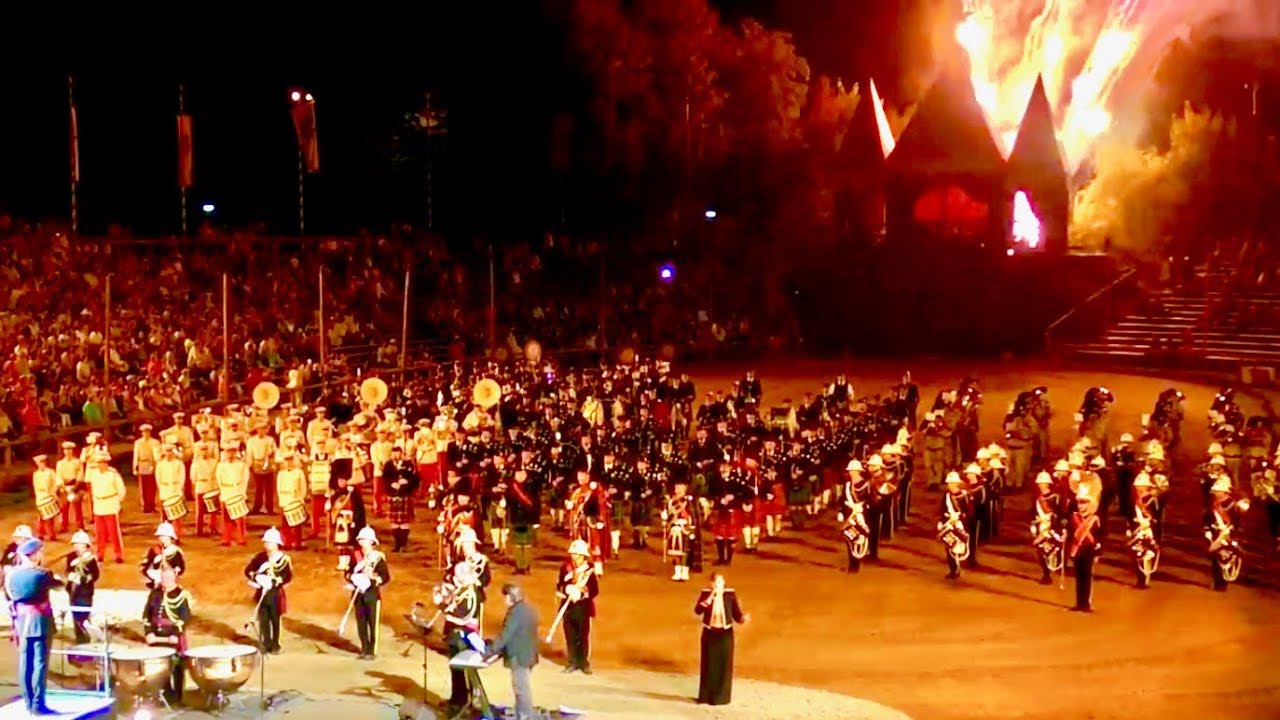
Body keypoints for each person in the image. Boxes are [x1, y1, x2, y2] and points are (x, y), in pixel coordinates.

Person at [6, 538, 59, 715]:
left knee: (24, 663)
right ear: (35, 554)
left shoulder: (12, 575)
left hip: (22, 622)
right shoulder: (42, 574)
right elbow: (59, 585)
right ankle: (38, 704)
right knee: (39, 663)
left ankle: (28, 702)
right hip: (40, 621)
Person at [486, 582, 540, 720]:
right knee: (522, 686)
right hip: (528, 652)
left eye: (506, 597)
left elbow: (506, 635)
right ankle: (521, 712)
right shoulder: (527, 609)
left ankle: (524, 715)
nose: (504, 601)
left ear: (511, 597)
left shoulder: (515, 613)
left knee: (521, 688)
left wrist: (489, 651)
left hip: (519, 655)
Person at [695, 572, 748, 706]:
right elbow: (698, 610)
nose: (720, 585)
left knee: (724, 665)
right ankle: (706, 696)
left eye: (721, 582)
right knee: (709, 664)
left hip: (725, 634)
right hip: (709, 633)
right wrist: (711, 597)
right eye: (717, 583)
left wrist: (743, 619)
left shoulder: (729, 595)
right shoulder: (706, 594)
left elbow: (736, 614)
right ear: (712, 584)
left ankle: (721, 697)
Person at [142, 567, 193, 704]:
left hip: (172, 635)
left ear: (174, 578)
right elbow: (147, 616)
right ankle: (164, 693)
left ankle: (178, 696)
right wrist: (149, 633)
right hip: (156, 636)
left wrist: (176, 634)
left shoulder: (181, 595)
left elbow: (184, 618)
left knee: (176, 667)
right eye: (163, 578)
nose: (166, 581)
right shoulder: (155, 594)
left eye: (169, 578)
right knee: (160, 667)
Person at [245, 528, 292, 655]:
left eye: (269, 543)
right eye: (265, 542)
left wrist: (277, 580)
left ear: (276, 544)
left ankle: (275, 644)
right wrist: (257, 577)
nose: (267, 545)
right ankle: (265, 644)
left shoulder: (283, 559)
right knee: (263, 620)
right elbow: (248, 570)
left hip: (275, 594)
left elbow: (287, 576)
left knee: (275, 620)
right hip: (262, 592)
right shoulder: (260, 558)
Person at [554, 539, 599, 674]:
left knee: (583, 636)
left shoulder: (589, 571)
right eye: (573, 554)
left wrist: (583, 592)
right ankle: (572, 661)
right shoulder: (565, 568)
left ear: (583, 556)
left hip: (583, 608)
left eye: (577, 554)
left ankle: (583, 662)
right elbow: (560, 584)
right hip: (568, 608)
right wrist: (565, 590)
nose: (574, 557)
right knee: (570, 635)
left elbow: (595, 590)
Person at [345, 527, 390, 659]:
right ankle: (364, 648)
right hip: (358, 594)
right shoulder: (355, 557)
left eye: (365, 540)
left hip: (371, 594)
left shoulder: (378, 558)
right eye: (361, 539)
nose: (363, 542)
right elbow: (348, 572)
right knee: (361, 622)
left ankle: (372, 650)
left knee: (372, 622)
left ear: (371, 542)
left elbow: (385, 576)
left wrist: (373, 578)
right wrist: (352, 579)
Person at [87, 451, 126, 563]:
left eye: (103, 462)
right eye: (99, 462)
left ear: (107, 463)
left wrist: (116, 502)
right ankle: (100, 554)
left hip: (110, 504)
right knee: (99, 533)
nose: (101, 465)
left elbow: (121, 490)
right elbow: (93, 490)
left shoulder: (113, 475)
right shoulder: (94, 475)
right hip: (99, 505)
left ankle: (118, 554)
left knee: (114, 532)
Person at [1069, 487, 1102, 612]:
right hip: (1077, 550)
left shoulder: (1094, 519)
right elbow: (1071, 534)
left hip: (1089, 551)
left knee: (1087, 578)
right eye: (1079, 503)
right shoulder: (1074, 517)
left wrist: (1098, 553)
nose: (1081, 506)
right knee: (1078, 578)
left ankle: (1086, 603)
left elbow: (1099, 537)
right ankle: (1079, 603)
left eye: (1084, 503)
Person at [64, 530, 100, 643]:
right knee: (75, 616)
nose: (76, 547)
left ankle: (86, 639)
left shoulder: (90, 558)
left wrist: (84, 579)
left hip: (85, 592)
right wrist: (70, 577)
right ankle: (79, 639)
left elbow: (95, 574)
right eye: (74, 544)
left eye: (79, 544)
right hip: (73, 591)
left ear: (85, 545)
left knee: (83, 616)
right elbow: (68, 570)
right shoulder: (70, 557)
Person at [141, 522, 186, 589]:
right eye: (160, 536)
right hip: (157, 580)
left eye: (164, 535)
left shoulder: (175, 551)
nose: (161, 538)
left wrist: (177, 569)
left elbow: (180, 566)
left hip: (170, 580)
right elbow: (146, 566)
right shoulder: (154, 550)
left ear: (169, 537)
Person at [133, 423, 161, 513]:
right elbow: (136, 455)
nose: (146, 433)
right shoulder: (138, 443)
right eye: (144, 432)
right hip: (142, 464)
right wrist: (135, 467)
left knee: (152, 487)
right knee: (143, 487)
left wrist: (156, 465)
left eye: (147, 432)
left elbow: (157, 455)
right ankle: (145, 506)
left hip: (151, 463)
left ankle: (152, 505)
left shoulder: (155, 442)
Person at [31, 454, 60, 541]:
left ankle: (51, 534)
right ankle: (40, 533)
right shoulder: (36, 474)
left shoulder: (50, 472)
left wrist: (54, 492)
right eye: (39, 463)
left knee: (50, 518)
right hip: (40, 498)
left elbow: (56, 482)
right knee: (41, 517)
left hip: (50, 496)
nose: (41, 464)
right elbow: (36, 487)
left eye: (42, 462)